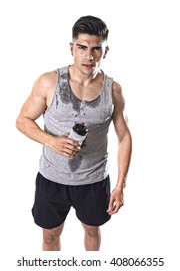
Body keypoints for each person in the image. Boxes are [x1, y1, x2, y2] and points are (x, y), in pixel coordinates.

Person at [16, 15, 132, 251]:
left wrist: (120, 185)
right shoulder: (49, 82)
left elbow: (125, 137)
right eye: (82, 47)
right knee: (50, 236)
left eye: (95, 49)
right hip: (52, 179)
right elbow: (22, 120)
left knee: (91, 230)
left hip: (94, 181)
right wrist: (51, 141)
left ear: (105, 51)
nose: (89, 56)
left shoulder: (113, 89)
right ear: (72, 48)